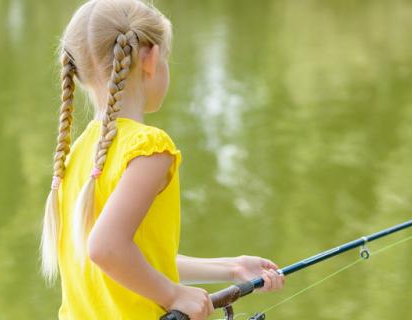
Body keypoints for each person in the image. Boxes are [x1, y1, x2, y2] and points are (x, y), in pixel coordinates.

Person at [40, 1, 284, 319]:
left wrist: (231, 267)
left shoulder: (76, 156)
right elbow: (105, 248)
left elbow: (133, 261)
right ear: (151, 59)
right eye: (167, 57)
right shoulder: (149, 148)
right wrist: (173, 294)